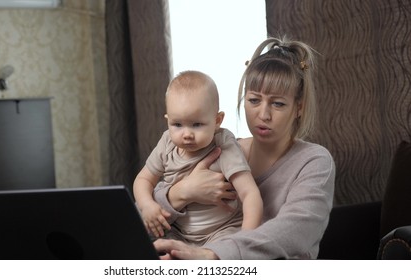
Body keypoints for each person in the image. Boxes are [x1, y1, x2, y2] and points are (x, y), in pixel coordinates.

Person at [153, 36, 336, 259]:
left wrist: (213, 256)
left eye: (278, 104)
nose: (264, 115)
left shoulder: (314, 161)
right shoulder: (221, 148)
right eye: (254, 101)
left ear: (298, 107)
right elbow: (141, 215)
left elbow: (296, 230)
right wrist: (180, 193)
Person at [133, 70, 263, 246]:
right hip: (179, 233)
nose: (187, 134)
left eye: (197, 125)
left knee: (224, 250)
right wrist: (147, 205)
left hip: (221, 230)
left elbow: (250, 194)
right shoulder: (167, 143)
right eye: (177, 124)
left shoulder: (223, 144)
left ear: (217, 120)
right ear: (167, 120)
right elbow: (143, 180)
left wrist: (245, 240)